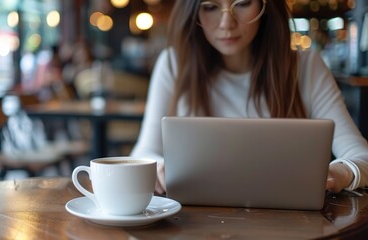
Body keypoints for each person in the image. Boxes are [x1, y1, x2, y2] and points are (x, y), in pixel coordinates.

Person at [130, 0, 368, 195]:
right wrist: (158, 168)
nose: (227, 23)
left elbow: (362, 156)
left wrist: (338, 173)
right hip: (195, 223)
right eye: (210, 7)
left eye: (242, 3)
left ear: (266, 7)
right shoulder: (173, 64)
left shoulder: (304, 68)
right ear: (193, 12)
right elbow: (143, 154)